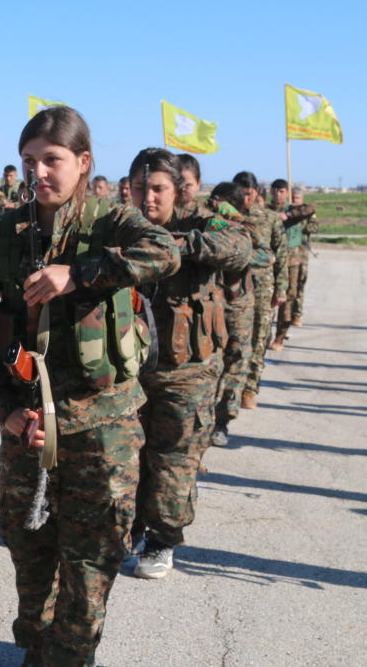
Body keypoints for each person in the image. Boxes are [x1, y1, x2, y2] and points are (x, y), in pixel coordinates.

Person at [0, 107, 179, 667]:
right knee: (28, 549)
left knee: (93, 554)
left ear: (83, 162)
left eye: (51, 160)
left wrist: (78, 273)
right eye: (29, 161)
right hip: (29, 428)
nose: (39, 173)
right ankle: (37, 645)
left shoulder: (112, 223)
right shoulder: (2, 236)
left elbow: (164, 252)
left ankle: (73, 655)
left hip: (104, 425)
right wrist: (4, 411)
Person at [126, 149, 250, 579]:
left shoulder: (203, 220)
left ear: (177, 191)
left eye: (158, 189)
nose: (148, 199)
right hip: (131, 366)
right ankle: (130, 529)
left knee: (173, 458)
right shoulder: (124, 225)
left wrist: (174, 245)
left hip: (188, 370)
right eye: (140, 188)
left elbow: (239, 245)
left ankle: (162, 540)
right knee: (128, 455)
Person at [206, 182, 257, 447]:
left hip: (238, 305)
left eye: (224, 204)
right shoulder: (207, 225)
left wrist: (233, 223)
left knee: (236, 360)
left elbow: (263, 255)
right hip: (211, 303)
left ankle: (223, 419)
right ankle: (205, 418)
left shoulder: (246, 228)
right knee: (210, 362)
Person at [232, 172, 287, 409]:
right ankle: (231, 390)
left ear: (256, 192)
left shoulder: (269, 218)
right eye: (241, 194)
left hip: (262, 288)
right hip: (232, 288)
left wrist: (281, 288)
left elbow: (281, 254)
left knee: (259, 338)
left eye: (248, 193)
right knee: (233, 339)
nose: (245, 198)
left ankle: (249, 389)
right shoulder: (227, 218)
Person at [269, 180, 317, 348]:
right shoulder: (267, 211)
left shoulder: (294, 209)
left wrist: (288, 215)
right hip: (272, 260)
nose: (278, 194)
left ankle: (280, 337)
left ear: (287, 193)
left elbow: (311, 208)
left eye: (282, 191)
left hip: (292, 261)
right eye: (275, 191)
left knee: (287, 299)